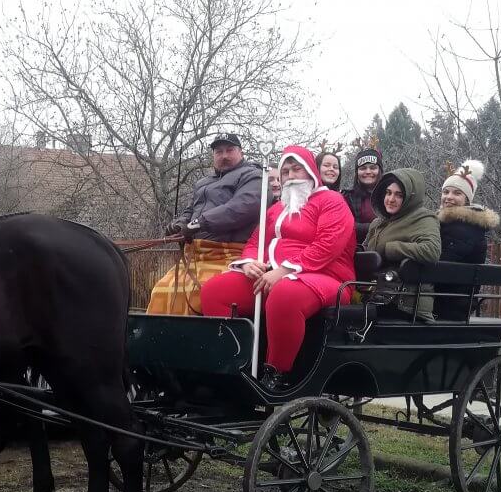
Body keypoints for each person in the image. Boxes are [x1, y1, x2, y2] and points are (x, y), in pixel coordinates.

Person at [200, 145, 356, 390]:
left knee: (285, 294)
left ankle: (277, 374)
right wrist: (251, 262)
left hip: (327, 276)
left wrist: (285, 270)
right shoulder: (276, 209)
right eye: (286, 172)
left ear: (311, 173)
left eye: (297, 170)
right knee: (215, 291)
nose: (291, 176)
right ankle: (231, 365)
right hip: (273, 274)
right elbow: (255, 242)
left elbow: (328, 245)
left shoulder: (332, 201)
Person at [148, 133, 263, 315]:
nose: (224, 155)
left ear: (241, 152)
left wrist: (200, 223)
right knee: (161, 289)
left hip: (230, 255)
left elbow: (242, 207)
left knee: (197, 292)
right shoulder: (203, 183)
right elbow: (190, 211)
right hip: (196, 256)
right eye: (219, 151)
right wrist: (179, 225)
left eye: (229, 150)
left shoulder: (254, 176)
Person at [363, 168, 442, 321]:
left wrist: (390, 249)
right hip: (378, 293)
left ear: (410, 198)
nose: (391, 199)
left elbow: (432, 250)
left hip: (406, 303)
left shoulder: (423, 218)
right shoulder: (378, 222)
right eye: (388, 192)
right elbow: (367, 248)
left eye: (399, 195)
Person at [433, 159, 500, 320]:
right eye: (445, 192)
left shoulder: (465, 228)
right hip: (447, 298)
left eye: (457, 193)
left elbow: (440, 262)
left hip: (450, 302)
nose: (448, 197)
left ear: (467, 200)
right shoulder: (447, 223)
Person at [342, 148, 383, 241]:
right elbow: (346, 226)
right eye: (363, 168)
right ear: (357, 172)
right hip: (358, 250)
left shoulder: (391, 194)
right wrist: (379, 227)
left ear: (379, 170)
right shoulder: (347, 197)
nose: (368, 171)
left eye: (373, 168)